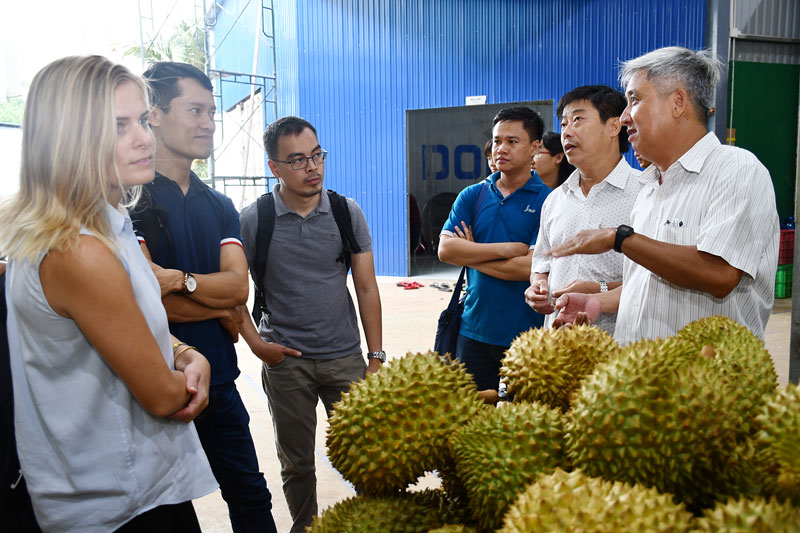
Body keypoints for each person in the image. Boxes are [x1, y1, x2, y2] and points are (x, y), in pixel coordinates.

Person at [0, 55, 217, 532]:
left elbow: (119, 329)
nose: (144, 137)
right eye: (119, 126)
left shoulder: (97, 228)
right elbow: (163, 398)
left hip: (128, 490)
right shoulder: (78, 249)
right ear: (70, 139)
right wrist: (187, 375)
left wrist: (183, 351)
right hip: (120, 505)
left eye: (141, 120)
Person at [546, 46, 779, 343]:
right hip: (644, 377)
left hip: (704, 382)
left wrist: (617, 238)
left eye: (635, 100)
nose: (625, 116)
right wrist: (597, 302)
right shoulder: (650, 188)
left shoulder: (735, 170)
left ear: (678, 102)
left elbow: (719, 275)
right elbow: (647, 281)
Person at [131, 62, 277, 533]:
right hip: (156, 386)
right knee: (169, 510)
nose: (208, 123)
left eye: (211, 112)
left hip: (220, 381)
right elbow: (142, 300)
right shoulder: (129, 202)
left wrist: (178, 280)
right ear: (154, 114)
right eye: (195, 110)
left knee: (252, 497)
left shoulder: (219, 205)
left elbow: (239, 288)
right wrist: (209, 295)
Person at [238, 116, 384, 533]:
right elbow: (231, 295)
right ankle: (305, 528)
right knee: (297, 464)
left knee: (368, 455)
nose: (313, 167)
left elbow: (367, 289)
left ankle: (372, 522)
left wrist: (374, 358)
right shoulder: (255, 220)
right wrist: (256, 346)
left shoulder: (344, 212)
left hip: (345, 359)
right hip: (286, 363)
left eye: (317, 155)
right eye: (298, 160)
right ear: (275, 167)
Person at [438, 106, 550, 391]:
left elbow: (529, 268)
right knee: (471, 418)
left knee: (520, 422)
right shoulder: (473, 195)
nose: (501, 149)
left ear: (534, 147)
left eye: (513, 141)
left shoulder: (549, 201)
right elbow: (446, 250)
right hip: (472, 331)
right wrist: (509, 248)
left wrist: (472, 253)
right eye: (498, 140)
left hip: (527, 337)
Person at [525, 86, 640, 335]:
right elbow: (541, 265)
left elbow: (654, 282)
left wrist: (598, 289)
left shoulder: (645, 194)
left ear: (613, 126)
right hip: (558, 344)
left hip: (619, 349)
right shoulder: (555, 200)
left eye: (578, 119)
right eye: (564, 123)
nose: (566, 132)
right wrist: (538, 287)